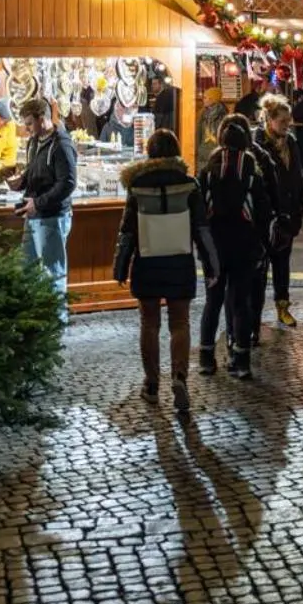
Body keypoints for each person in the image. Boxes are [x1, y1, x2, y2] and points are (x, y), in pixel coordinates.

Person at [114, 129, 213, 414]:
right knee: (180, 323)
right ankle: (180, 377)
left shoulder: (137, 185)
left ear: (150, 153)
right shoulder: (189, 184)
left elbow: (127, 231)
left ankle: (152, 385)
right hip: (180, 261)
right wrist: (211, 265)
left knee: (150, 323)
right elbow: (202, 230)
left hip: (147, 261)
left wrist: (120, 267)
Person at [197, 114, 275, 379]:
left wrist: (201, 246)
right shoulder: (251, 172)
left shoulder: (208, 171)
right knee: (240, 302)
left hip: (214, 248)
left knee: (213, 302)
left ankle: (206, 357)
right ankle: (241, 360)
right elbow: (263, 213)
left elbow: (198, 212)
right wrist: (263, 245)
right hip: (244, 246)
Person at [13, 97, 77, 319]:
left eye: (29, 123)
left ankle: (56, 322)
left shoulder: (61, 145)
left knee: (53, 272)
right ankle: (34, 318)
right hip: (34, 214)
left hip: (52, 216)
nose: (27, 128)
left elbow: (68, 183)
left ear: (43, 119)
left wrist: (38, 202)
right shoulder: (35, 142)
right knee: (27, 267)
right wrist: (21, 181)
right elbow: (35, 171)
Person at [250, 94, 303, 333]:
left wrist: (300, 205)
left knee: (282, 265)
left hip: (288, 214)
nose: (287, 124)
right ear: (269, 120)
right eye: (282, 121)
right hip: (265, 218)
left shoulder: (291, 142)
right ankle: (254, 316)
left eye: (288, 120)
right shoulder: (256, 145)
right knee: (260, 269)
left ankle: (283, 307)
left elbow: (297, 173)